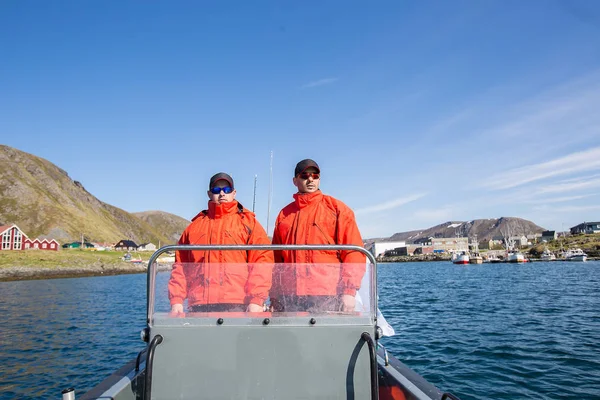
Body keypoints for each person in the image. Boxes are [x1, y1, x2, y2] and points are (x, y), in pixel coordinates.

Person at [168, 172, 273, 314]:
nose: (222, 193)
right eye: (217, 190)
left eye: (227, 190)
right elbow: (180, 268)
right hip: (199, 305)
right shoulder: (193, 228)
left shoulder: (249, 223)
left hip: (237, 304)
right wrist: (177, 301)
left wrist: (256, 300)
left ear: (234, 193)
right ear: (209, 194)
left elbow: (262, 261)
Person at [270, 159, 366, 312]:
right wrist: (274, 295)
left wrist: (349, 291)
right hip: (290, 297)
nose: (310, 179)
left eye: (315, 176)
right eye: (305, 175)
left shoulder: (337, 209)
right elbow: (276, 261)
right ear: (295, 181)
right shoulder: (284, 215)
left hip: (328, 295)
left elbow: (353, 252)